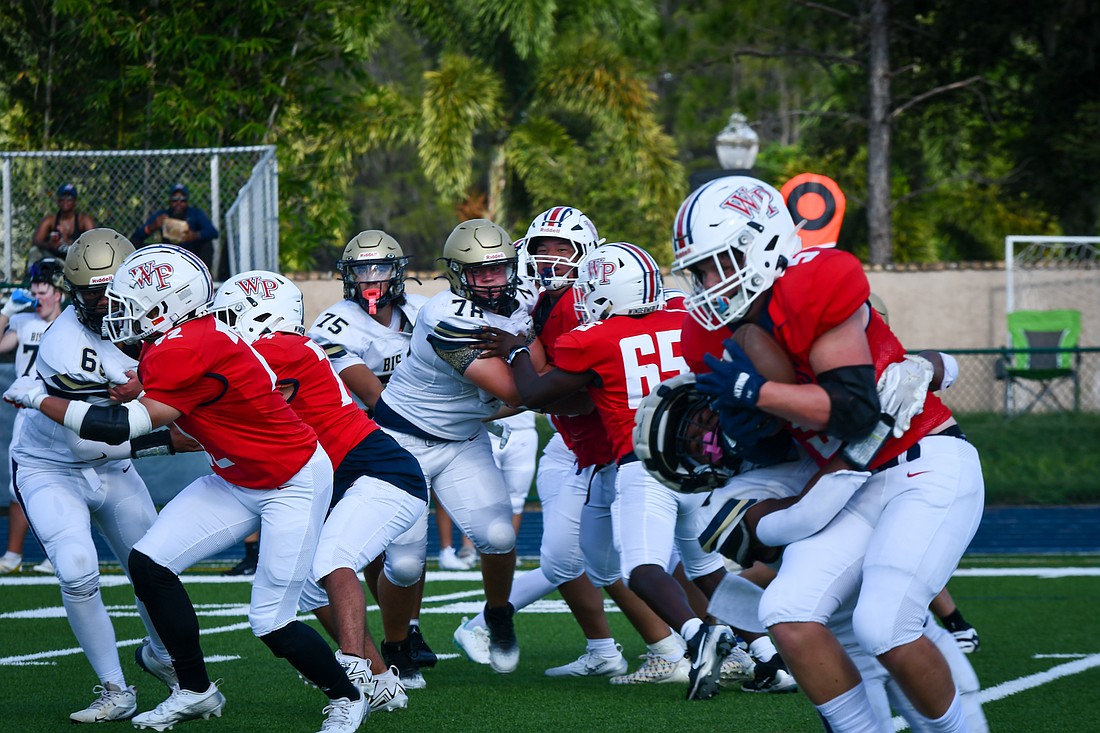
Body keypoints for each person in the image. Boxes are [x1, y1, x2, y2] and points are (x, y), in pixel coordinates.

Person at [4, 244, 367, 733]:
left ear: (169, 304)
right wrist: (143, 386)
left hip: (291, 482)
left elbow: (116, 427)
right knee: (149, 563)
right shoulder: (177, 338)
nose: (120, 311)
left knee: (271, 621)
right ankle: (195, 688)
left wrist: (37, 398)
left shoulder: (183, 346)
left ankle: (348, 696)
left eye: (132, 301)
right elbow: (174, 393)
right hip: (236, 475)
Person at [671, 175, 984, 732]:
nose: (707, 283)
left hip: (921, 463)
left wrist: (755, 393)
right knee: (784, 614)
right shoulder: (723, 331)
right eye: (698, 271)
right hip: (850, 481)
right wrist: (733, 441)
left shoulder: (816, 279)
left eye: (717, 263)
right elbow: (771, 449)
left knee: (884, 624)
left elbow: (854, 412)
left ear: (761, 241)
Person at [477, 241, 737, 701]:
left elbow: (535, 394)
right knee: (702, 564)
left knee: (642, 569)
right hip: (701, 461)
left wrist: (518, 350)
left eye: (592, 285)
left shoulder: (594, 337)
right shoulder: (684, 316)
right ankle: (771, 655)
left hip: (641, 463)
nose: (582, 295)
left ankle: (697, 638)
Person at [454, 210, 679, 685]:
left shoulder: (589, 304)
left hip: (610, 446)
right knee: (583, 558)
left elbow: (574, 395)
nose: (548, 259)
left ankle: (694, 647)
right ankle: (634, 647)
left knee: (667, 559)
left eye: (562, 249)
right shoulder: (541, 302)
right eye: (541, 248)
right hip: (584, 444)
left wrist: (512, 392)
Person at [211, 270, 430, 713]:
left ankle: (351, 674)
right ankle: (382, 679)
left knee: (333, 559)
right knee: (310, 590)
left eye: (230, 316)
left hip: (380, 473)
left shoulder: (283, 349)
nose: (223, 326)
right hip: (341, 478)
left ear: (261, 317)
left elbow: (223, 411)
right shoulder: (267, 351)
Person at [4, 230, 180, 724]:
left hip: (112, 463)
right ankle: (115, 690)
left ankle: (164, 656)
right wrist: (167, 437)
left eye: (112, 288)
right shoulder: (65, 343)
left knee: (154, 564)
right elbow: (93, 434)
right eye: (91, 292)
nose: (103, 302)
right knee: (79, 567)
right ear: (73, 292)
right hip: (53, 465)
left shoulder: (157, 318)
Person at [372, 218, 535, 675]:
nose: (490, 280)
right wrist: (529, 349)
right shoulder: (446, 314)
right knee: (404, 564)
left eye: (498, 269)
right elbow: (519, 391)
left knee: (499, 536)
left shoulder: (526, 305)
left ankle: (498, 614)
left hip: (464, 438)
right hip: (403, 441)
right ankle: (398, 647)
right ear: (458, 274)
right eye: (478, 271)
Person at [307, 229, 436, 685]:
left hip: (412, 436)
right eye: (361, 269)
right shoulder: (335, 323)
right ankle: (368, 648)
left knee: (406, 551)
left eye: (379, 268)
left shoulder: (423, 313)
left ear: (398, 273)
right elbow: (375, 398)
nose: (370, 278)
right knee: (360, 548)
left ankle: (406, 633)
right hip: (353, 440)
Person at [0, 259, 66, 574]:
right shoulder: (24, 322)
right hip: (26, 413)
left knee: (63, 482)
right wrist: (7, 312)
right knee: (18, 485)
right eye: (34, 291)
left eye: (44, 291)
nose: (37, 297)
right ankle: (13, 555)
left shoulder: (71, 323)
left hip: (60, 412)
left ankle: (59, 552)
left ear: (59, 293)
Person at [131, 184, 219, 274]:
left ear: (187, 201)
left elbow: (213, 232)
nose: (178, 203)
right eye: (175, 200)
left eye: (182, 200)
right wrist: (152, 226)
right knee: (135, 243)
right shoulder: (162, 215)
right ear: (169, 201)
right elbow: (136, 236)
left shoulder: (195, 213)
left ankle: (203, 274)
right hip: (168, 255)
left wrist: (195, 235)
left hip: (191, 255)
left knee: (207, 244)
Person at [31, 183, 95, 260]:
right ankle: (33, 272)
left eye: (69, 198)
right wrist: (50, 245)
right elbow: (37, 240)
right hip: (54, 260)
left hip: (77, 260)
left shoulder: (84, 220)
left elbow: (93, 242)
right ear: (58, 201)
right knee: (34, 251)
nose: (65, 200)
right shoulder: (51, 220)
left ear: (75, 201)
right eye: (62, 198)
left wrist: (70, 242)